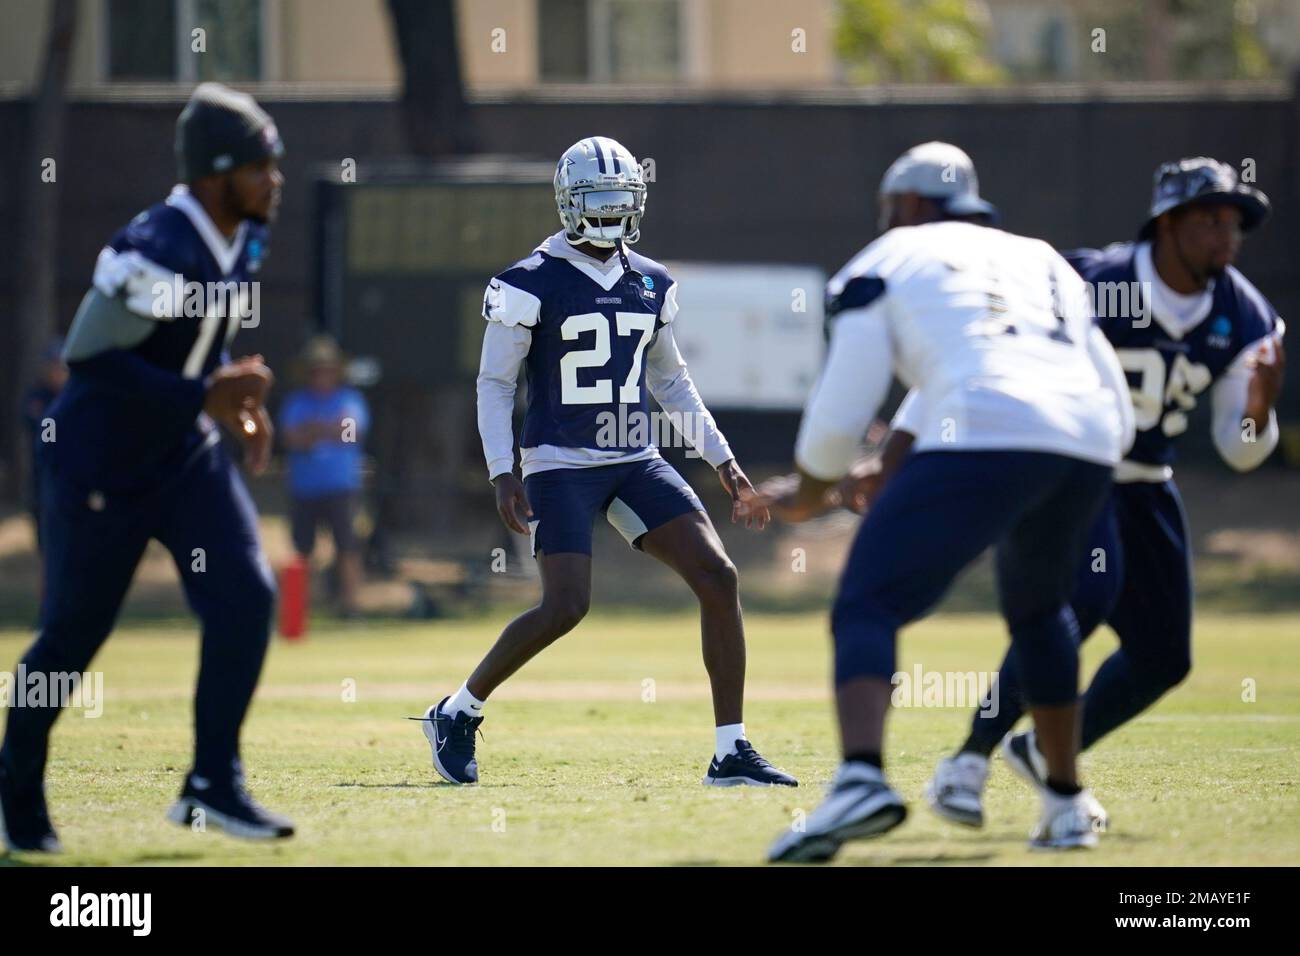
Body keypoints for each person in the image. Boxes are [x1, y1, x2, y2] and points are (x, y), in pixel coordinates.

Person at [754, 142, 1133, 863]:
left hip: (989, 432)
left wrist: (809, 492)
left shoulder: (890, 258)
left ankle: (862, 778)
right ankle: (1064, 802)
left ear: (911, 206)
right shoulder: (1041, 258)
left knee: (868, 601)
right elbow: (1089, 376)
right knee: (1040, 607)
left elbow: (843, 405)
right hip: (1087, 441)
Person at [919, 157, 1285, 828]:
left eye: (1234, 223)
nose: (1226, 237)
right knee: (1078, 601)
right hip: (1070, 473)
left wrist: (1260, 405)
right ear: (1167, 224)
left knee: (1163, 656)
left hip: (1145, 483)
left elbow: (1239, 450)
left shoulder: (1246, 314)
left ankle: (1046, 752)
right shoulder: (1092, 281)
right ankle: (966, 763)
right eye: (1210, 220)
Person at [419, 136, 796, 788]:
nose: (610, 210)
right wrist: (502, 470)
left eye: (620, 197)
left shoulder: (650, 280)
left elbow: (671, 383)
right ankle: (457, 711)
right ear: (569, 203)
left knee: (718, 575)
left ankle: (731, 750)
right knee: (566, 605)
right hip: (559, 460)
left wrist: (726, 463)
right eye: (596, 198)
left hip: (635, 455)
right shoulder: (528, 281)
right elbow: (494, 385)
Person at [0, 82, 292, 852]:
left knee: (245, 594)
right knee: (70, 639)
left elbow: (192, 345)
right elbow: (92, 361)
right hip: (101, 461)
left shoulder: (246, 237)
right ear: (213, 172)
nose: (274, 179)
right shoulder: (155, 245)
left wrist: (233, 403)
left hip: (182, 453)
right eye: (260, 165)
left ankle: (210, 781)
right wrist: (208, 391)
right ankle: (16, 794)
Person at [280, 335, 370, 618]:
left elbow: (351, 432)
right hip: (305, 487)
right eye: (316, 369)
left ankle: (350, 607)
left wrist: (313, 430)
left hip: (340, 486)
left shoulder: (350, 399)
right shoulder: (296, 402)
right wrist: (328, 429)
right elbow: (291, 438)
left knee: (347, 546)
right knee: (302, 550)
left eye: (327, 369)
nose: (322, 375)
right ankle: (297, 611)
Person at [20, 338, 68, 555]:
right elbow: (45, 434)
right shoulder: (38, 398)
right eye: (55, 367)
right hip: (43, 478)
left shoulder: (71, 398)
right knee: (47, 545)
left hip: (70, 481)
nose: (58, 373)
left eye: (62, 367)